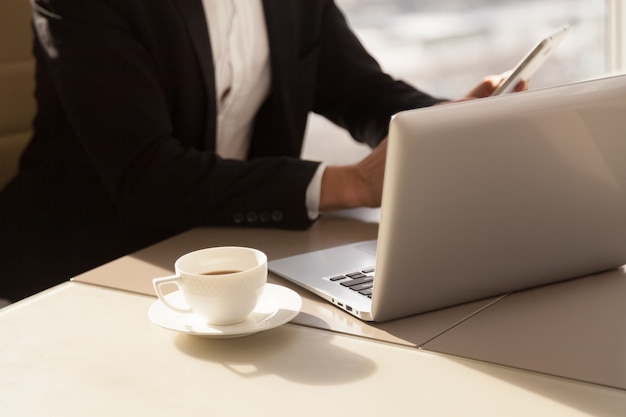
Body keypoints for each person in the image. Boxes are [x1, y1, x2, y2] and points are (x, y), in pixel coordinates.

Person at [0, 0, 524, 302]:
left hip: (239, 252)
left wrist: (453, 123)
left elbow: (362, 90)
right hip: (94, 266)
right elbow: (148, 176)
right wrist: (350, 183)